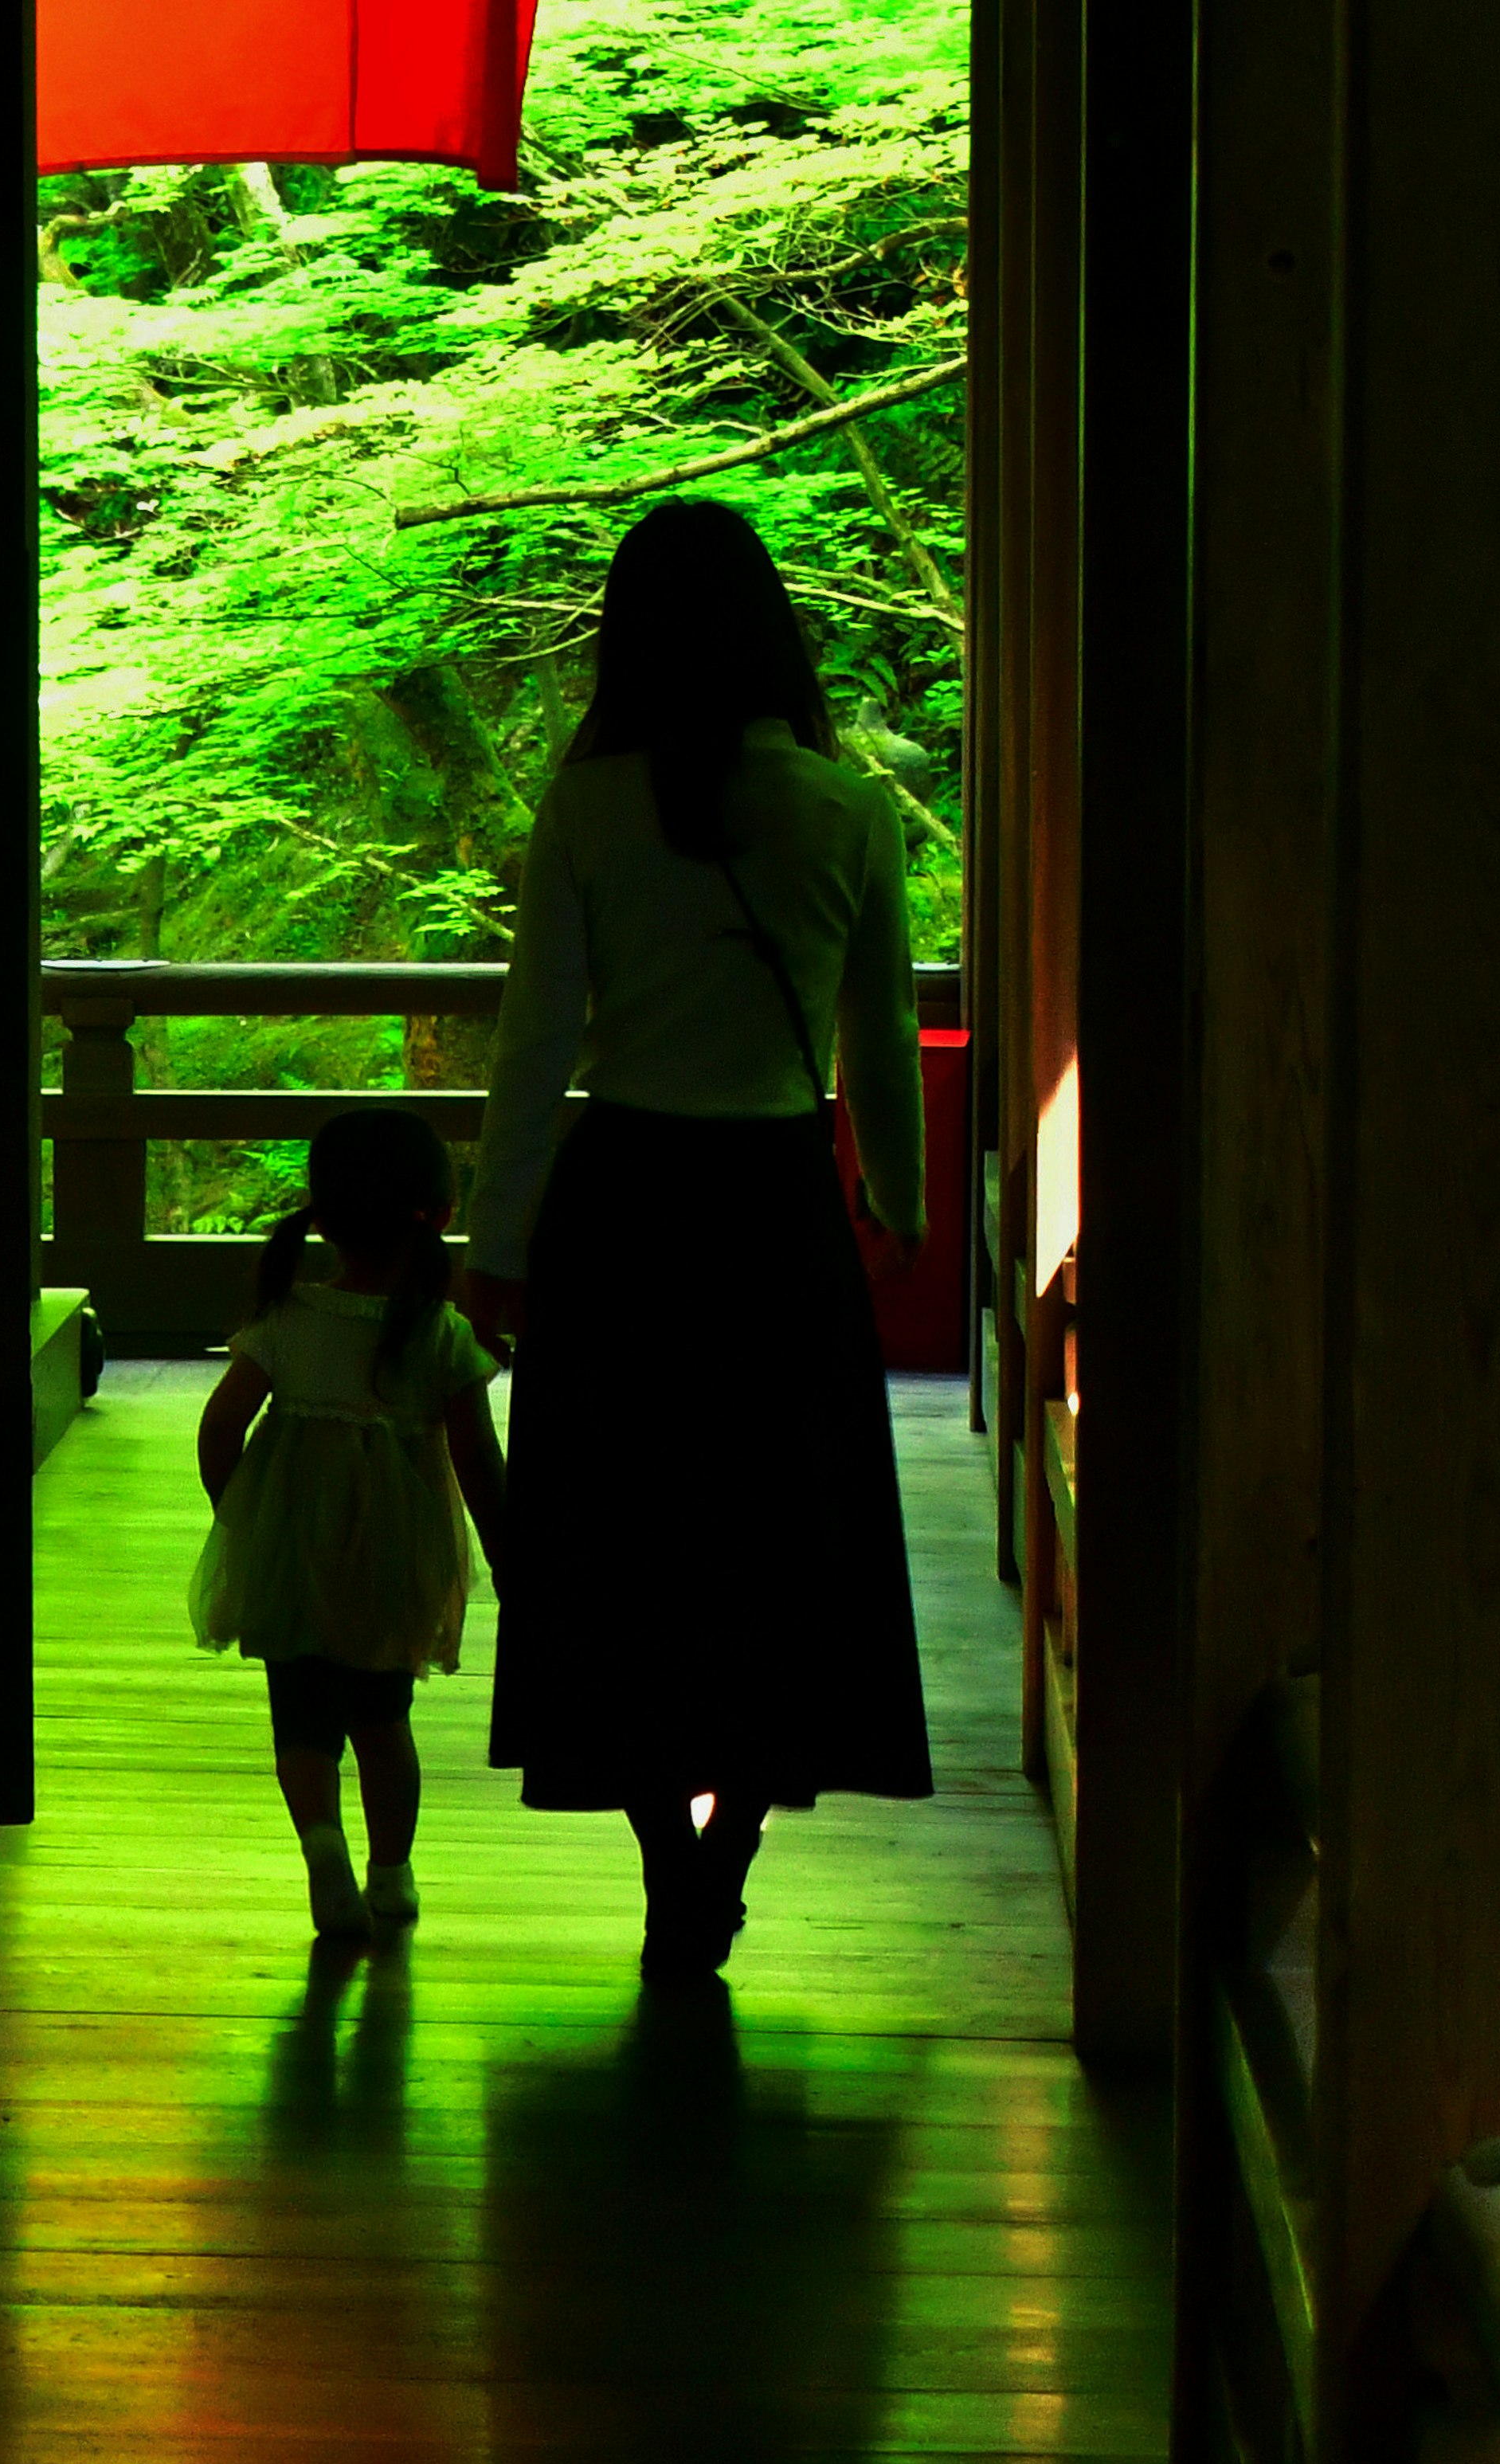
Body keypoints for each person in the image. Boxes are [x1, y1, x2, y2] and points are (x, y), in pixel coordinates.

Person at [462, 497, 934, 1986]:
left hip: (624, 1215)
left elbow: (535, 1046)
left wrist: (500, 1238)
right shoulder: (847, 812)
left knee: (623, 1546)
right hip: (779, 1207)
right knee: (781, 1541)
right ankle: (729, 1856)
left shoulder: (589, 808)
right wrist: (903, 1202)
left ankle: (672, 1860)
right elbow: (883, 1043)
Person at [193, 1107, 510, 1944]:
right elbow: (479, 1461)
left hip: (292, 1553)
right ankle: (392, 1871)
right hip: (393, 1563)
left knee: (299, 1719)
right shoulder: (440, 1334)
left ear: (321, 1215)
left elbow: (221, 1427)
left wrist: (245, 1516)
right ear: (442, 1213)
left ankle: (322, 1848)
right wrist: (511, 1559)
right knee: (382, 1719)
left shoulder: (288, 1320)